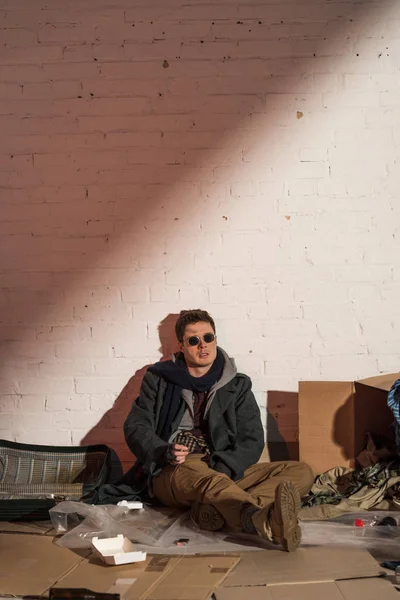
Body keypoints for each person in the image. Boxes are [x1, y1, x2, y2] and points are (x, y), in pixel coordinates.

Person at [124, 309, 314, 552]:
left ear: (215, 339)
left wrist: (224, 468)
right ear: (182, 345)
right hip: (175, 467)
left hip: (220, 464)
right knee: (209, 481)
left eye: (208, 337)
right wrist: (164, 451)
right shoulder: (159, 379)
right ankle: (261, 521)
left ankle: (214, 510)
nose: (203, 346)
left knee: (300, 471)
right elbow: (136, 426)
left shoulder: (237, 384)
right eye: (193, 340)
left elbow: (252, 438)